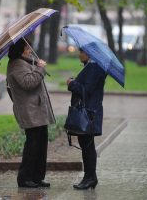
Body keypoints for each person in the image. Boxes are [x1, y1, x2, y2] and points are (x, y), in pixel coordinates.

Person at [6, 38, 56, 188]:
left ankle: (37, 177)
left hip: (36, 110)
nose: (29, 50)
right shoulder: (16, 64)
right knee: (32, 146)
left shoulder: (25, 61)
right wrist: (40, 68)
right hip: (30, 111)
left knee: (41, 145)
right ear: (20, 49)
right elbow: (28, 83)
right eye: (27, 48)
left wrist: (37, 65)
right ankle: (25, 178)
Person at [66, 48, 107, 190]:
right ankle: (90, 177)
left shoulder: (94, 68)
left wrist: (71, 84)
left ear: (89, 53)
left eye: (81, 52)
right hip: (89, 112)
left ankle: (90, 178)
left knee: (88, 146)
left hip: (89, 113)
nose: (79, 54)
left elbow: (86, 91)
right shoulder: (92, 66)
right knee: (86, 145)